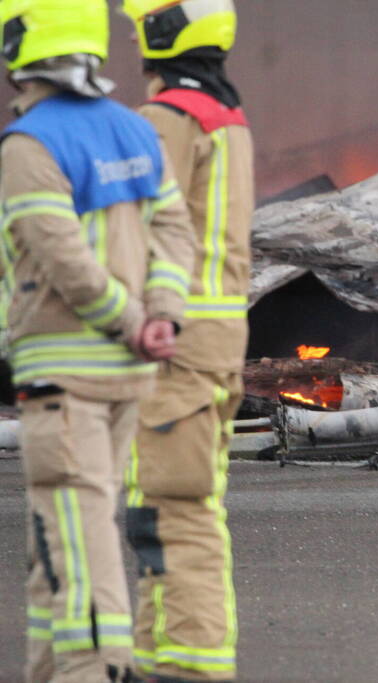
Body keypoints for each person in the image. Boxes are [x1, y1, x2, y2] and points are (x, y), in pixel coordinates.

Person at [0, 0, 196, 680]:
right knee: (57, 541)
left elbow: (63, 257)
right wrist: (161, 315)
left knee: (78, 538)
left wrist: (126, 317)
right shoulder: (132, 128)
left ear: (18, 42)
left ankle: (99, 668)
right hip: (124, 374)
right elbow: (175, 231)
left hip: (64, 374)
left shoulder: (29, 145)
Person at [119, 1, 253, 680]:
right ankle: (159, 656)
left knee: (173, 510)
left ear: (164, 28)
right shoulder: (224, 114)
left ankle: (191, 666)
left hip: (176, 341)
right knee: (165, 505)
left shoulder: (169, 117)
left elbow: (135, 225)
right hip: (214, 337)